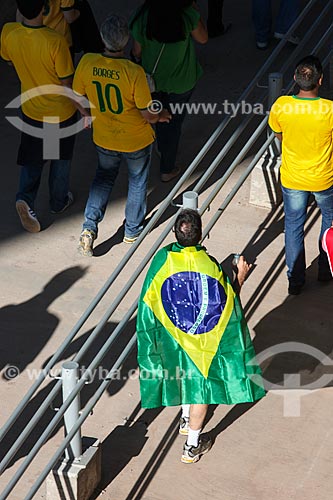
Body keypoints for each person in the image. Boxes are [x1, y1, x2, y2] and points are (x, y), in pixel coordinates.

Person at [136, 209, 265, 464]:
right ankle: (192, 445)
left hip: (174, 334)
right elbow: (227, 305)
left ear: (174, 233)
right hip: (204, 341)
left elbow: (149, 301)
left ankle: (185, 418)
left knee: (184, 374)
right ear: (201, 233)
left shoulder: (162, 259)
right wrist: (239, 277)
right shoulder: (211, 265)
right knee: (201, 391)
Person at [73, 14, 171, 257]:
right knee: (137, 181)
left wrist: (86, 114)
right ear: (126, 42)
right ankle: (132, 230)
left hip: (104, 137)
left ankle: (89, 228)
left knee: (104, 178)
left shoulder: (87, 62)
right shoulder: (133, 72)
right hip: (135, 139)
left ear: (102, 39)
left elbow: (75, 95)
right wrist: (162, 116)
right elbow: (147, 115)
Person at [1, 0, 80, 233]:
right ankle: (58, 201)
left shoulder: (9, 33)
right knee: (58, 158)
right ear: (44, 9)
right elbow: (66, 82)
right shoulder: (55, 41)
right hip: (58, 111)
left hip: (31, 107)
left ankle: (25, 197)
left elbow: (8, 60)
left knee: (33, 156)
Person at [268, 55, 333, 295]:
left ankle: (295, 280)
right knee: (329, 223)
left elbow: (279, 134)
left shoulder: (282, 105)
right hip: (324, 178)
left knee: (294, 226)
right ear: (321, 80)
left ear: (295, 78)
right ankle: (325, 269)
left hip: (293, 178)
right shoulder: (329, 110)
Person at [130, 0, 208, 182]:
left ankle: (161, 144)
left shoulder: (143, 15)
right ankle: (167, 167)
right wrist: (195, 9)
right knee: (174, 123)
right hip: (182, 81)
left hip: (152, 82)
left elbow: (137, 51)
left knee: (158, 113)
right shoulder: (187, 13)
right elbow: (203, 39)